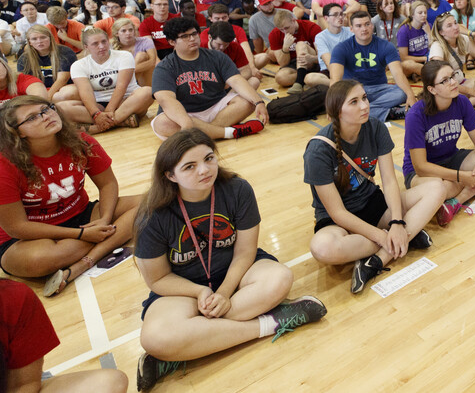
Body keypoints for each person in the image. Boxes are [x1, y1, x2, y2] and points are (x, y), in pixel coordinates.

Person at [133, 129, 326, 391]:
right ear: (169, 175)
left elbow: (246, 251)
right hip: (183, 290)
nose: (204, 170)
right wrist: (200, 291)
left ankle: (184, 350)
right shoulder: (152, 215)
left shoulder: (237, 189)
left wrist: (223, 292)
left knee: (281, 277)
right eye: (190, 166)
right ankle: (273, 322)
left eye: (209, 158)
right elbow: (158, 278)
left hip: (237, 272)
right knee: (155, 339)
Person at [304, 80, 443, 293]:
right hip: (338, 221)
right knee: (322, 249)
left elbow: (388, 180)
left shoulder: (375, 127)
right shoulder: (318, 151)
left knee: (437, 188)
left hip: (373, 204)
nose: (365, 106)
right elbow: (338, 213)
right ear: (337, 112)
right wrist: (381, 236)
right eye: (354, 102)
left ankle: (378, 260)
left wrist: (396, 222)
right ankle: (405, 238)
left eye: (365, 98)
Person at [0, 95, 142, 297]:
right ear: (17, 133)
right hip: (28, 237)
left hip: (82, 216)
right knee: (40, 260)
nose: (46, 116)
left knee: (150, 202)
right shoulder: (5, 164)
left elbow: (108, 184)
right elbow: (17, 227)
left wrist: (105, 218)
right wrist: (82, 234)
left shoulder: (81, 141)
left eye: (46, 109)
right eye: (32, 118)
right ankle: (111, 237)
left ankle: (81, 265)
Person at [404, 61, 475, 226]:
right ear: (431, 89)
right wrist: (462, 177)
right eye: (445, 80)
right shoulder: (416, 115)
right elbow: (421, 166)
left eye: (453, 76)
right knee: (441, 188)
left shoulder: (462, 102)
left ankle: (456, 202)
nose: (453, 82)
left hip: (452, 159)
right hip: (422, 173)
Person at [0, 278, 129, 391]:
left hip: (13, 385)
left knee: (109, 384)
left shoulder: (13, 298)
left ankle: (74, 269)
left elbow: (23, 385)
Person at [150, 18, 268, 141]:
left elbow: (237, 81)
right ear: (172, 42)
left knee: (247, 101)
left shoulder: (217, 57)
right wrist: (186, 123)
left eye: (194, 34)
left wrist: (258, 102)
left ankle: (203, 135)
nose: (192, 39)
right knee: (162, 123)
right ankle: (230, 132)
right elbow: (166, 100)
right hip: (186, 113)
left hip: (217, 107)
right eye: (185, 36)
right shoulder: (165, 67)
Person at [59, 27, 154, 132]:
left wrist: (108, 112)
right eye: (95, 44)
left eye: (104, 41)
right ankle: (121, 122)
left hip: (126, 101)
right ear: (86, 47)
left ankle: (98, 127)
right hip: (99, 105)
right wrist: (96, 114)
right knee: (61, 107)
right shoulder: (78, 65)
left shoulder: (124, 56)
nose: (101, 46)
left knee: (147, 92)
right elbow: (85, 92)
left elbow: (121, 86)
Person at [329, 11, 415, 122]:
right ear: (351, 29)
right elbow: (335, 79)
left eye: (367, 24)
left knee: (402, 93)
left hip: (380, 89)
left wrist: (410, 95)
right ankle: (388, 112)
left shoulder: (386, 46)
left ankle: (356, 112)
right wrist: (332, 107)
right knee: (346, 100)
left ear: (372, 25)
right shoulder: (341, 48)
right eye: (358, 26)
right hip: (353, 91)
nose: (364, 29)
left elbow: (398, 74)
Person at [428, 13, 475, 101]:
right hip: (444, 88)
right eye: (449, 26)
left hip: (459, 83)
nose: (455, 27)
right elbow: (439, 80)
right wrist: (469, 91)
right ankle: (463, 107)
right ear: (441, 32)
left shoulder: (463, 39)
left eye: (455, 23)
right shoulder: (437, 47)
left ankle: (462, 106)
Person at [268, 11, 323, 93]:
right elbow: (283, 64)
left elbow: (322, 56)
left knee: (300, 44)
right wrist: (285, 48)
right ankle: (307, 78)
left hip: (312, 60)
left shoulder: (311, 27)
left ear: (294, 21)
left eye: (287, 28)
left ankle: (299, 83)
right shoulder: (274, 34)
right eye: (281, 29)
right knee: (280, 77)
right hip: (293, 63)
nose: (285, 32)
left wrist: (311, 59)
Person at [17, 26, 76, 102]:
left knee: (66, 93)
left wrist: (46, 98)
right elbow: (23, 82)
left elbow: (62, 79)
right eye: (34, 39)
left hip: (61, 89)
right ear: (30, 42)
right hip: (38, 92)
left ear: (50, 38)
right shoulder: (24, 58)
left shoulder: (65, 52)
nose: (39, 41)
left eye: (43, 37)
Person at [205, 22, 262, 91]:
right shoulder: (200, 48)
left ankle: (229, 98)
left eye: (226, 44)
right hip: (208, 87)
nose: (222, 47)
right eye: (219, 44)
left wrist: (230, 82)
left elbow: (246, 71)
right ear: (210, 37)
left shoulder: (234, 46)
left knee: (254, 81)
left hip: (228, 84)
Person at [113, 18, 158, 88]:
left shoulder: (145, 41)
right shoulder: (111, 46)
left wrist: (130, 71)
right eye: (123, 31)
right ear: (116, 33)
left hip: (141, 78)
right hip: (119, 78)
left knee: (142, 55)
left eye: (130, 30)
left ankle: (128, 88)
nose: (128, 33)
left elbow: (152, 62)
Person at [397, 2, 431, 78]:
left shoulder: (428, 26)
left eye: (425, 12)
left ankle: (419, 74)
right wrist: (424, 58)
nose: (423, 15)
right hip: (413, 62)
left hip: (427, 61)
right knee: (408, 65)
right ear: (412, 15)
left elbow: (433, 47)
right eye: (420, 13)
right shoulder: (404, 31)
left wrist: (429, 33)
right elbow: (404, 57)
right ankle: (427, 73)